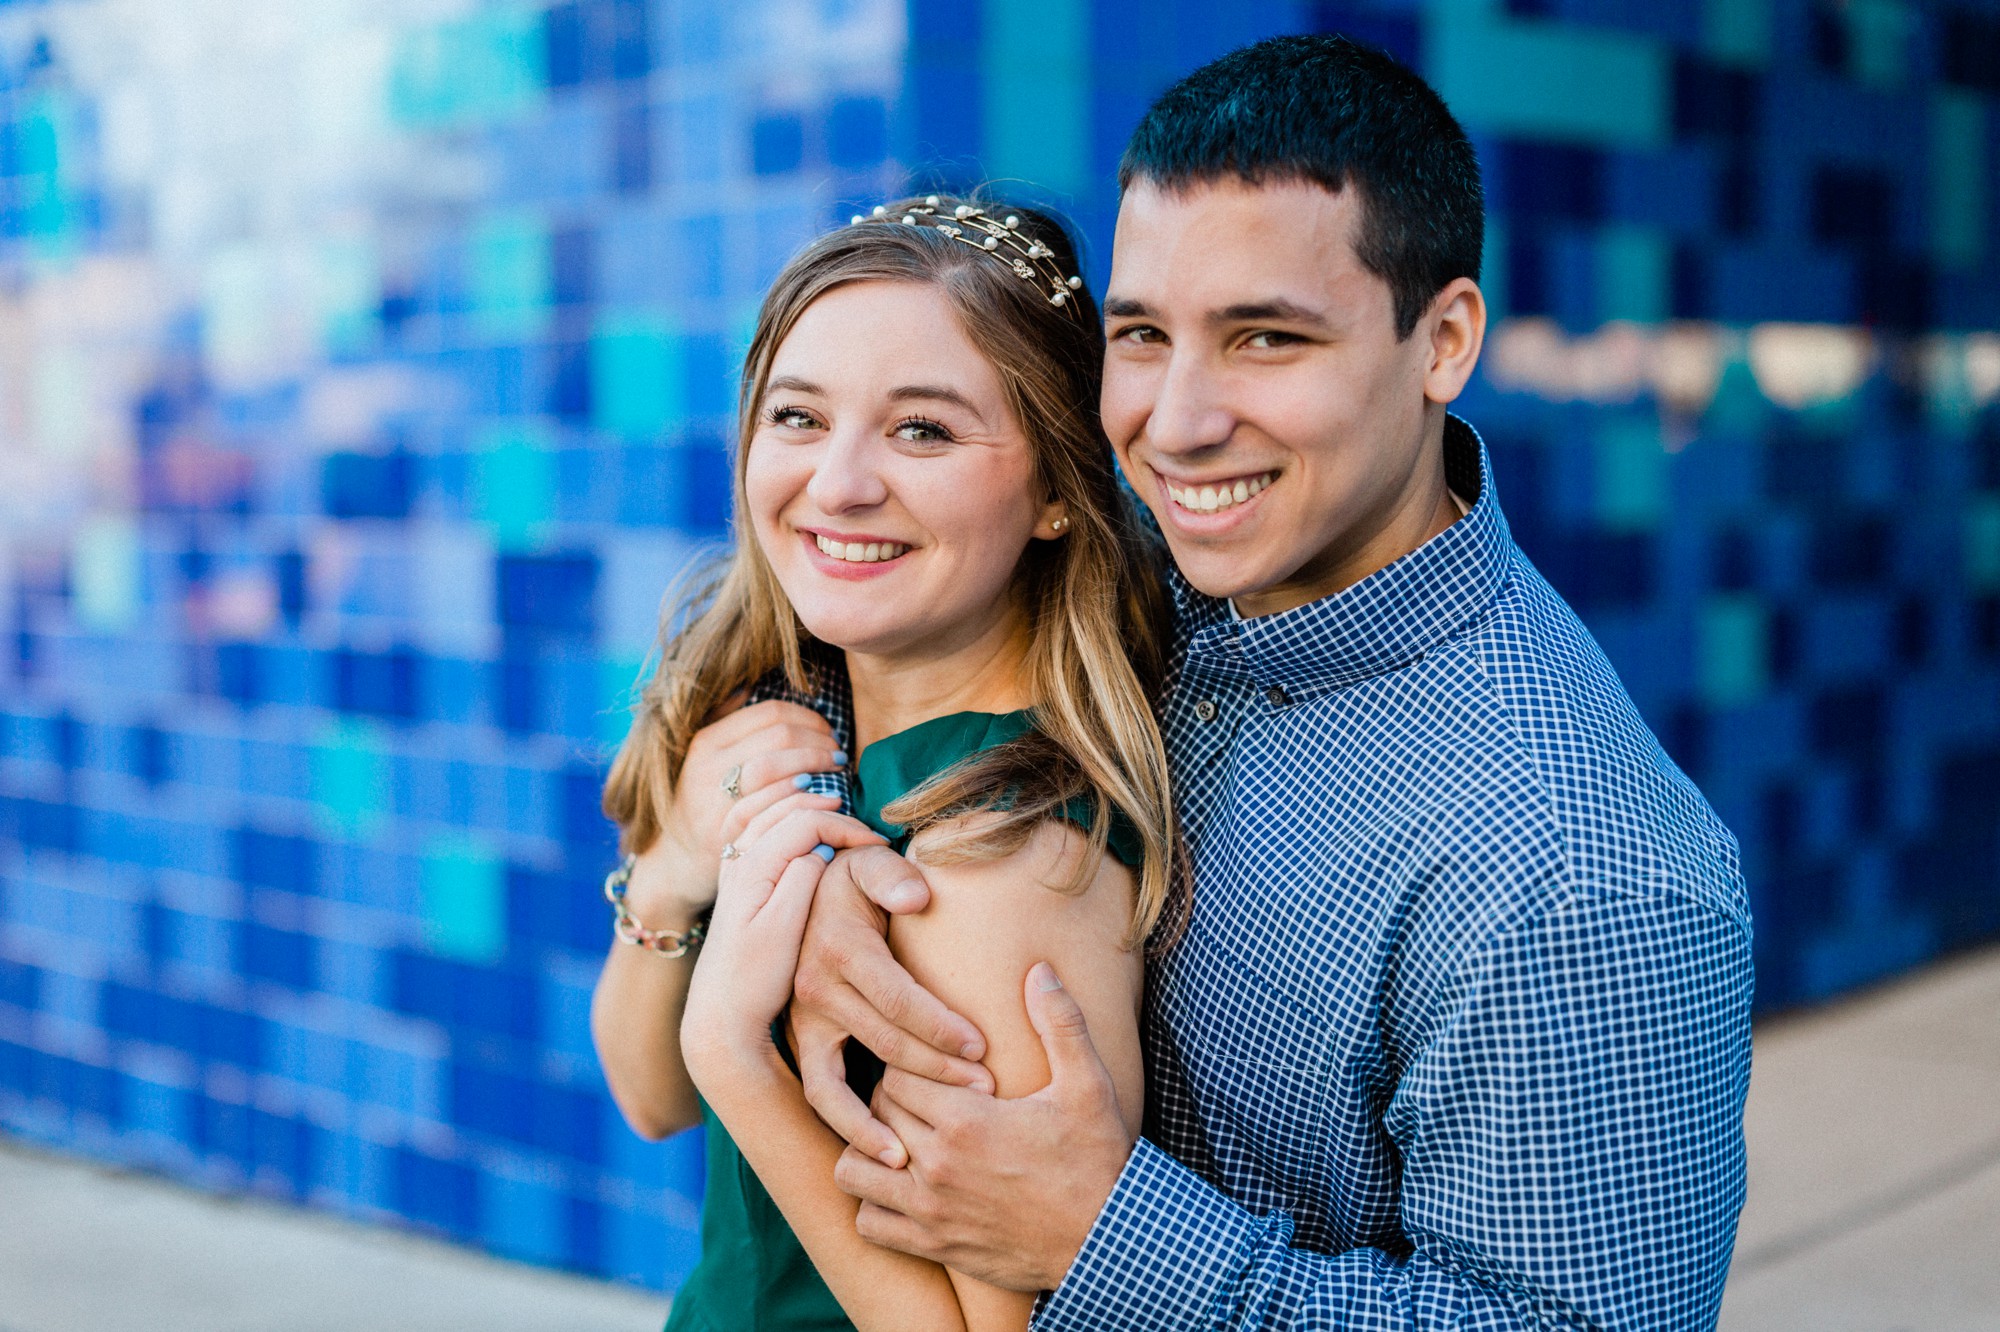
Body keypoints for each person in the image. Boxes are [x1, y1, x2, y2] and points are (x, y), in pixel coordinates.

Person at [787, 35, 1756, 1330]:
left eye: (1265, 339)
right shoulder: (1165, 575)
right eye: (1142, 335)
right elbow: (873, 609)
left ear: (1444, 340)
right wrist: (794, 838)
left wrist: (1102, 1232)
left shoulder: (1576, 868)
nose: (1177, 421)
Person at [589, 194, 1182, 1330]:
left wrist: (733, 1049)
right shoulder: (774, 728)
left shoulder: (1000, 853)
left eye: (922, 430)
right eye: (798, 417)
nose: (840, 482)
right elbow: (645, 1094)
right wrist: (672, 869)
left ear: (1057, 491)